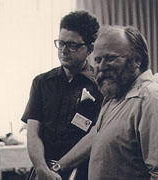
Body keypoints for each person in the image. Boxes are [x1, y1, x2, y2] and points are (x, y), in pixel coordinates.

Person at [57, 25, 158, 180]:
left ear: (137, 60)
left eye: (111, 58)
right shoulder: (113, 97)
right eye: (97, 60)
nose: (101, 67)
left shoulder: (149, 99)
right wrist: (58, 166)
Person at [21, 11, 102, 180]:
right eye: (61, 43)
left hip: (81, 172)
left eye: (72, 45)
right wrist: (42, 168)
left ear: (90, 48)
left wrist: (58, 168)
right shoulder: (42, 82)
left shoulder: (100, 86)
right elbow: (33, 132)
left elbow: (95, 135)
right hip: (42, 171)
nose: (64, 51)